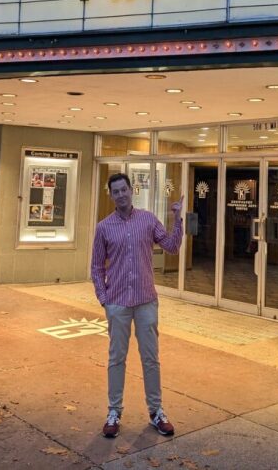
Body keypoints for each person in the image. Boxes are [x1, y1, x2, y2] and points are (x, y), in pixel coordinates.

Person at [91, 173, 183, 439]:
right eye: (115, 191)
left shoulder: (147, 220)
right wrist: (104, 299)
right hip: (117, 303)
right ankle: (114, 412)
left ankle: (156, 412)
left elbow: (172, 247)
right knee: (116, 359)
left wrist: (177, 220)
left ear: (132, 190)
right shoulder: (104, 228)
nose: (121, 195)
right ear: (110, 195)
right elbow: (97, 266)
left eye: (124, 189)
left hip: (145, 301)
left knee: (151, 359)